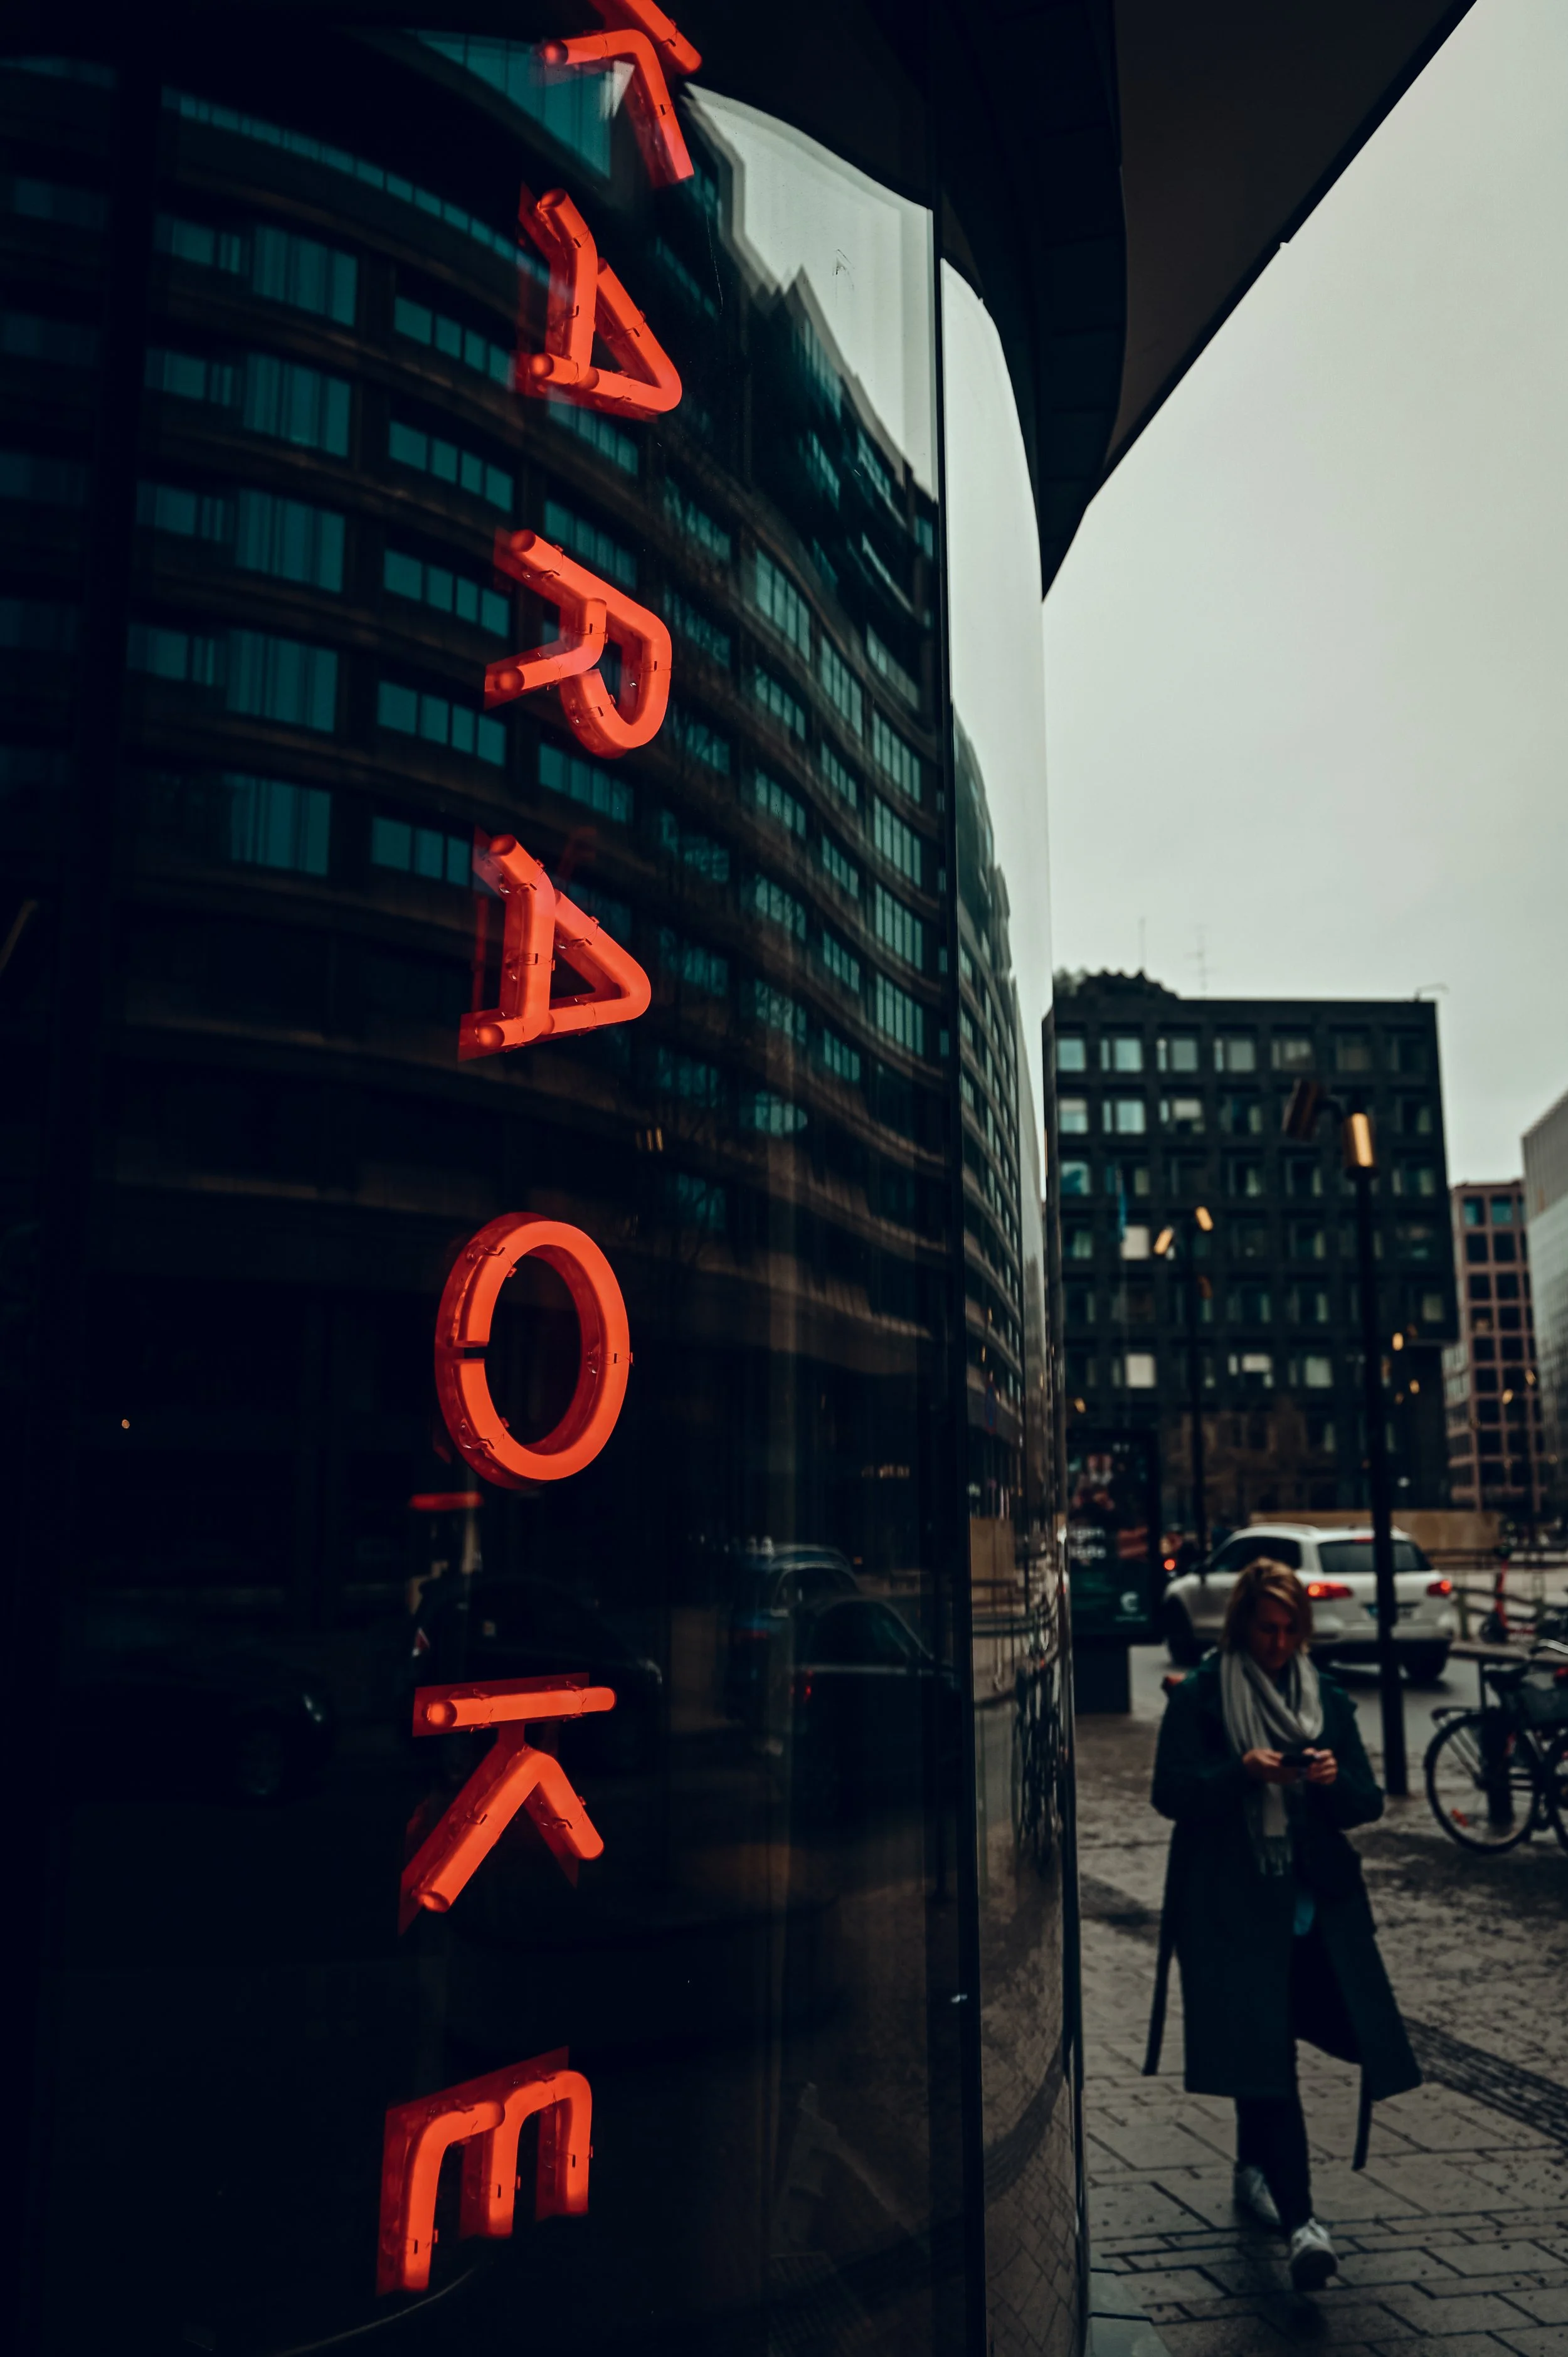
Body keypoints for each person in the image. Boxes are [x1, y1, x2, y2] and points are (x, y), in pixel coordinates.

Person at [1143, 1557, 1420, 2292]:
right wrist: (1242, 1773)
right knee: (1268, 2055)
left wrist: (1329, 1781)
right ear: (1241, 1625)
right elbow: (1169, 1792)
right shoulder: (1204, 1694)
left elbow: (1366, 1802)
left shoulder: (1323, 1697)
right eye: (1265, 1627)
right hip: (1231, 1912)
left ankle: (1250, 2164)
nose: (1277, 1641)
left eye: (1290, 1628)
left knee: (1278, 2044)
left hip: (1312, 1916)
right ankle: (1304, 2224)